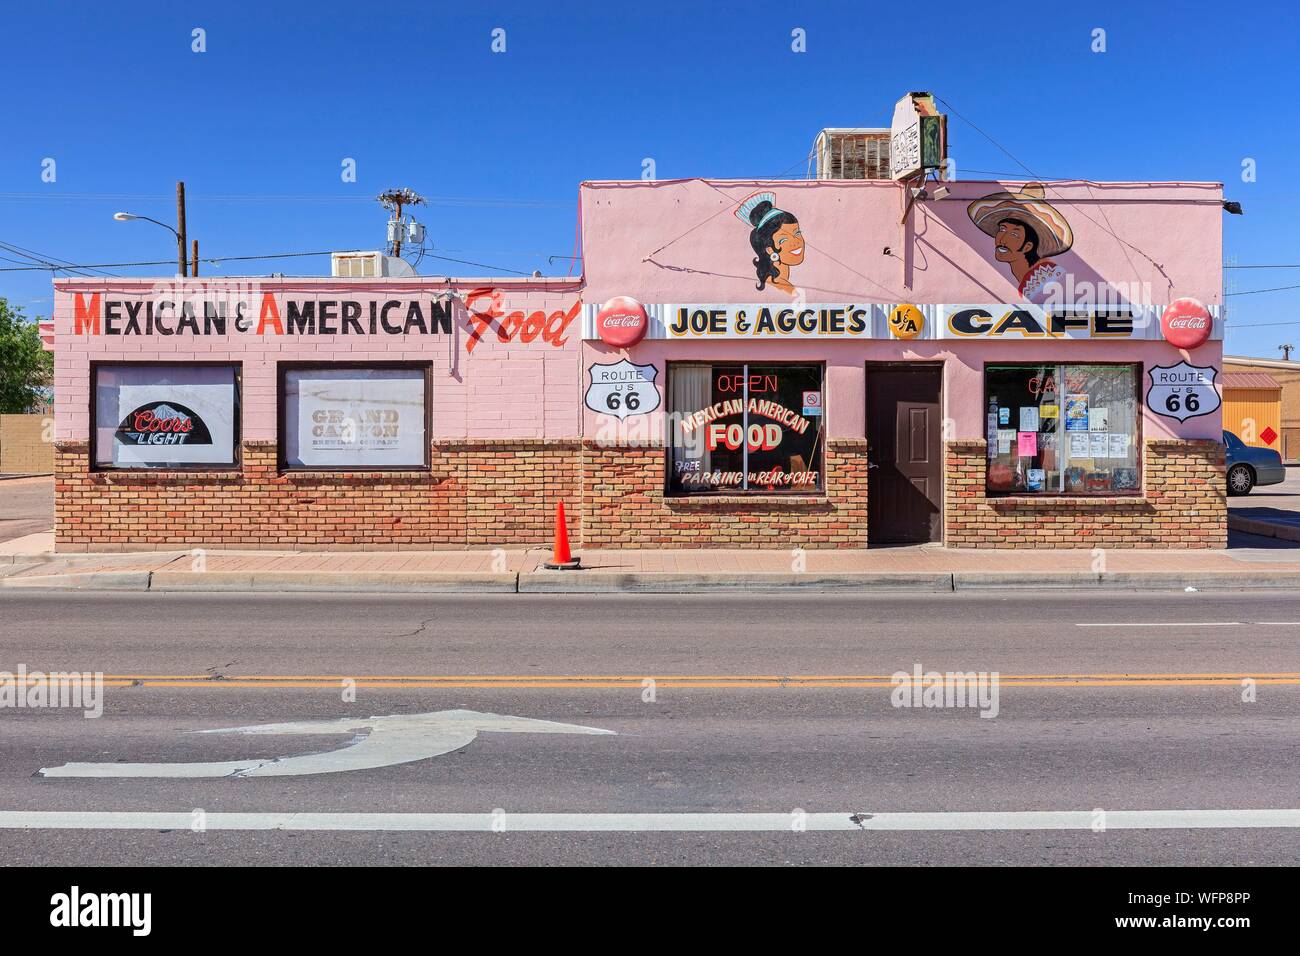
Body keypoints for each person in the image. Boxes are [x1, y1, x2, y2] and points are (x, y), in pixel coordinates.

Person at [967, 183, 1074, 305]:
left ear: (1028, 246)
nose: (1002, 239)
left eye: (1014, 234)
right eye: (1002, 229)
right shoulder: (1030, 278)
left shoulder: (1042, 278)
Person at [736, 191, 804, 296]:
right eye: (783, 240)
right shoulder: (785, 288)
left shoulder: (787, 284)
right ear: (769, 249)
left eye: (797, 233)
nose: (796, 241)